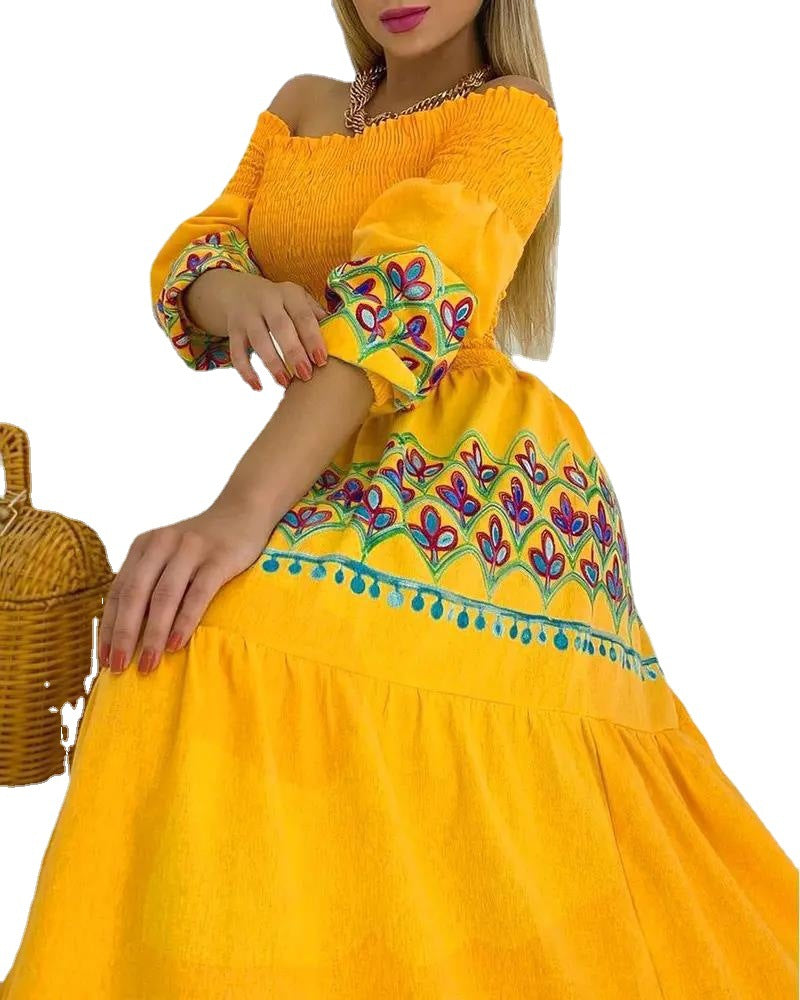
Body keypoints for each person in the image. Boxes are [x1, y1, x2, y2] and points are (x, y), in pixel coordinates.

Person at [1, 1, 797, 997]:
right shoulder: (304, 105)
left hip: (485, 478)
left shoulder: (513, 114)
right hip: (331, 459)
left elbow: (398, 308)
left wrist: (235, 514)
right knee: (176, 643)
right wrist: (237, 292)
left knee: (229, 632)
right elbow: (196, 250)